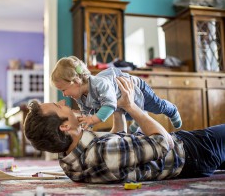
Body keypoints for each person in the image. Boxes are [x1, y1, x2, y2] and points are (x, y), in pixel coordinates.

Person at [24, 77, 225, 183]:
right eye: (59, 106)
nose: (62, 101)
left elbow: (118, 140)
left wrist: (118, 110)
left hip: (188, 154)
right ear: (65, 126)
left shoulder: (67, 157)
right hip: (191, 153)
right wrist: (131, 106)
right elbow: (165, 142)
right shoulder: (101, 153)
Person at [51, 56, 182, 133]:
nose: (64, 95)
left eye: (63, 90)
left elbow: (109, 105)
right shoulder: (80, 97)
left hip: (137, 88)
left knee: (156, 106)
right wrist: (86, 124)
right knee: (128, 114)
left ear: (76, 81)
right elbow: (86, 112)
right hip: (122, 103)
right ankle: (140, 115)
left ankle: (172, 110)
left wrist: (93, 119)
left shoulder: (99, 84)